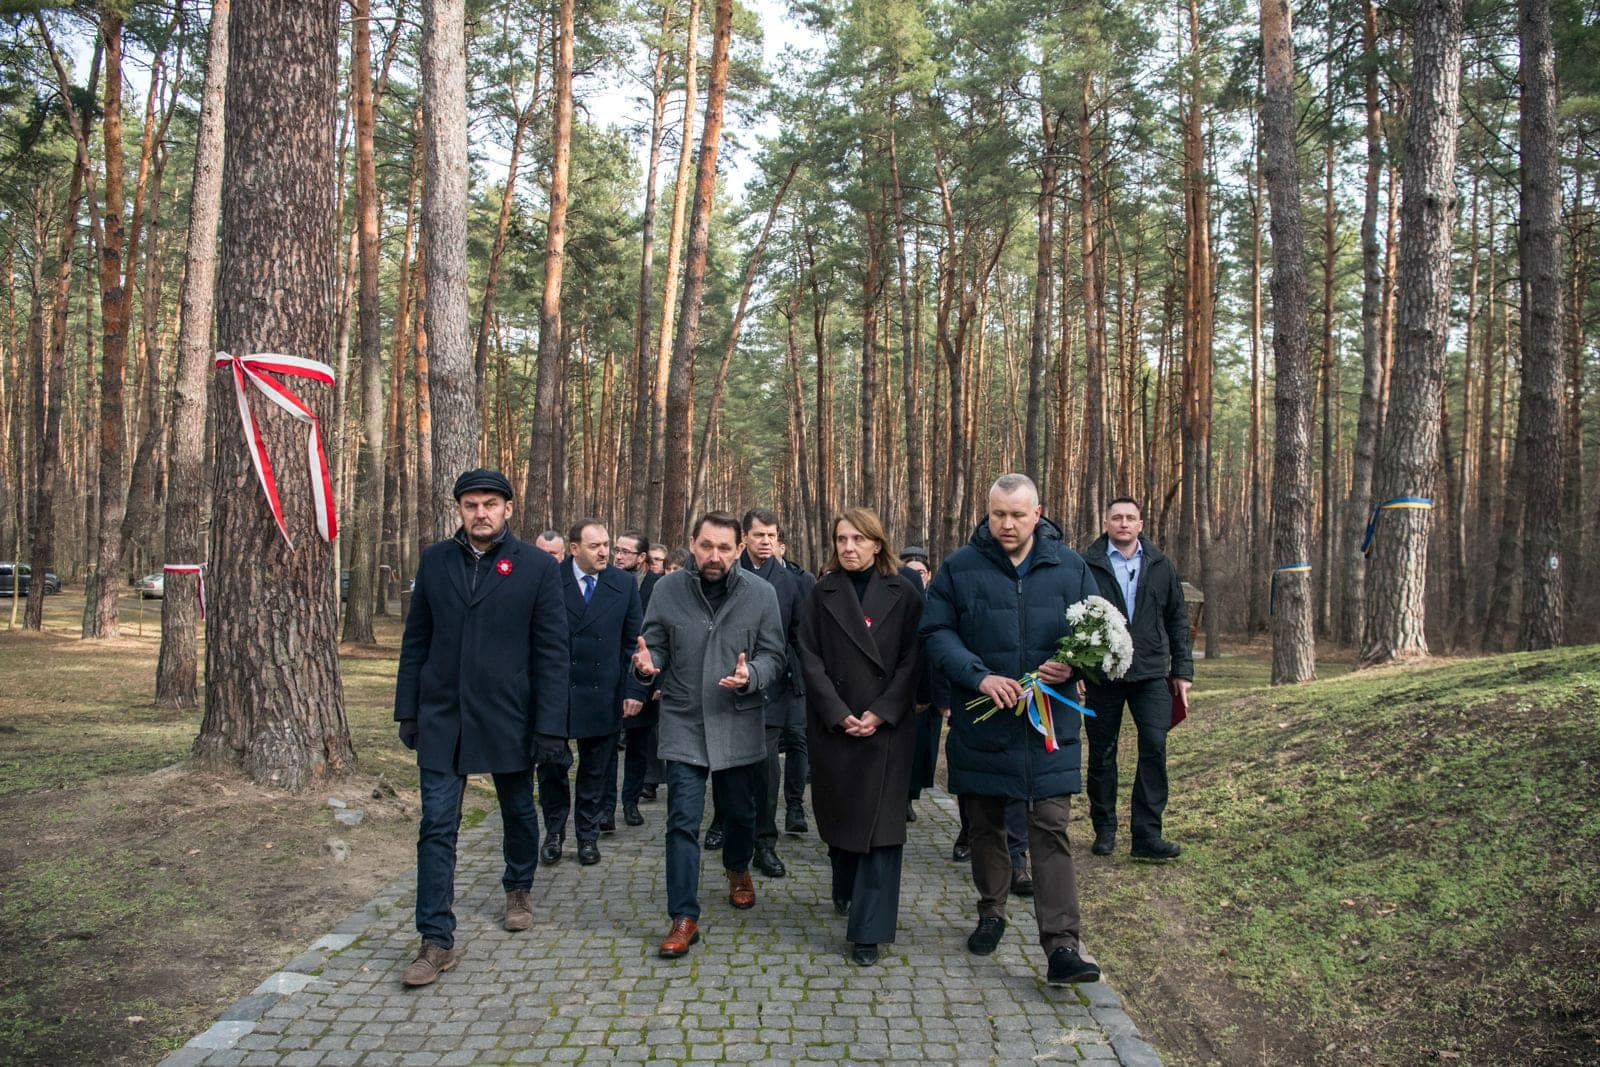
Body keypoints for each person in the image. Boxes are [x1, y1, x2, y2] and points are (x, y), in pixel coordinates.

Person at [921, 472, 1102, 985]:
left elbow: (1095, 634)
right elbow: (936, 632)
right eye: (998, 513)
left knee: (1050, 826)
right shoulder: (959, 567)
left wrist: (1074, 666)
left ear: (1037, 514)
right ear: (988, 511)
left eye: (1017, 515)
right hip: (984, 724)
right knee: (986, 826)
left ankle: (1062, 946)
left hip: (1050, 725)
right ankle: (991, 911)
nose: (1006, 523)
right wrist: (978, 677)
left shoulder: (1071, 568)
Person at [394, 468, 570, 986]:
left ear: (508, 509)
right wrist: (409, 709)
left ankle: (518, 885)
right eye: (471, 505)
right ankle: (435, 939)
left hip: (509, 717)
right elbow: (416, 641)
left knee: (517, 809)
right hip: (444, 718)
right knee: (437, 825)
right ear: (460, 510)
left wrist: (550, 727)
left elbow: (553, 654)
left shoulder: (537, 567)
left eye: (490, 504)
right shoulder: (435, 561)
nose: (481, 513)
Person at [631, 512, 787, 958]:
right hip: (683, 720)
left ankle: (738, 867)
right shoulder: (667, 589)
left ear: (739, 549)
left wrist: (752, 673)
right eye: (706, 546)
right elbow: (653, 643)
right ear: (691, 544)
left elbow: (775, 655)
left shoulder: (761, 594)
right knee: (682, 821)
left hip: (737, 720)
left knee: (740, 813)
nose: (714, 556)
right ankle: (684, 916)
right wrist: (646, 665)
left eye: (723, 547)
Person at [798, 508, 924, 966]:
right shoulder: (820, 593)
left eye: (858, 539)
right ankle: (844, 884)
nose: (848, 548)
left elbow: (914, 659)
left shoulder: (905, 593)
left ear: (877, 543)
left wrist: (882, 710)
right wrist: (838, 712)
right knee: (842, 819)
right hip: (836, 726)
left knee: (883, 831)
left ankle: (868, 933)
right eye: (841, 539)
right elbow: (808, 657)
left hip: (887, 729)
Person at [1081, 497, 1193, 860]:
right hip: (1103, 675)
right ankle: (1105, 828)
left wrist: (1182, 671)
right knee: (1102, 754)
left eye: (1130, 518)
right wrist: (1080, 670)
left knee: (1154, 748)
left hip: (1151, 673)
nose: (1124, 524)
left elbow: (1177, 619)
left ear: (1140, 524)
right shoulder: (1088, 565)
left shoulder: (1161, 565)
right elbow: (1074, 619)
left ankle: (1147, 835)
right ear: (1107, 522)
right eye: (1117, 518)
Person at [537, 520, 645, 867]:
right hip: (556, 693)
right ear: (573, 549)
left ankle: (587, 836)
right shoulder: (550, 580)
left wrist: (633, 689)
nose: (604, 552)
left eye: (607, 545)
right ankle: (554, 832)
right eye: (594, 546)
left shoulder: (623, 584)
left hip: (603, 692)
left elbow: (634, 644)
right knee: (552, 767)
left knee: (595, 771)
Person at [611, 531, 664, 815]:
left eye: (625, 552)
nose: (618, 557)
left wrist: (659, 680)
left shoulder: (658, 587)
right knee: (607, 745)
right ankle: (605, 809)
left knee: (638, 744)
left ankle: (630, 802)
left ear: (642, 558)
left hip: (644, 675)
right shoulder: (606, 580)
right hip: (610, 674)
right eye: (616, 550)